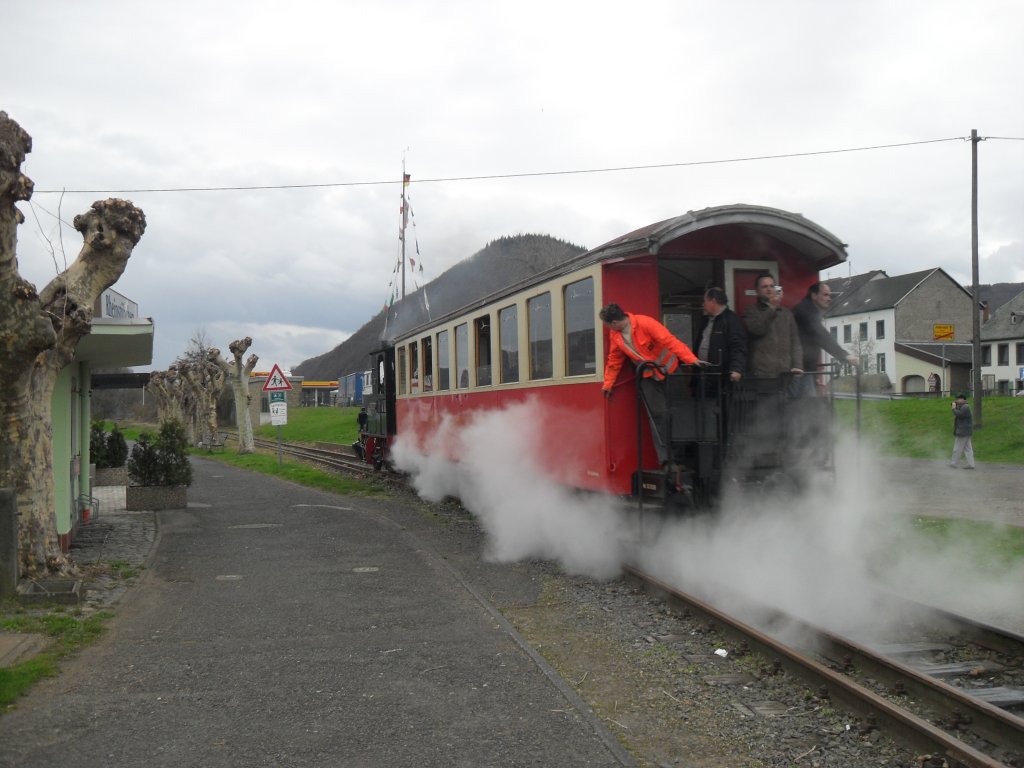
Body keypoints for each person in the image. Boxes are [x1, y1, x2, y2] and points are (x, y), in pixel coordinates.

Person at [600, 303, 705, 465]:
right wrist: (608, 384)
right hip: (648, 378)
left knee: (680, 411)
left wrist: (691, 359)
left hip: (671, 372)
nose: (608, 328)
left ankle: (685, 456)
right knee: (658, 416)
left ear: (614, 323)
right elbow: (614, 360)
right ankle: (667, 459)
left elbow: (670, 341)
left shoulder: (645, 323)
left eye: (607, 325)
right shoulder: (615, 335)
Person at [792, 281, 859, 396]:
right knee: (807, 404)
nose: (829, 298)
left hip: (805, 370)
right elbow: (821, 335)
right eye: (825, 295)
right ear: (814, 295)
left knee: (808, 403)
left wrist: (815, 378)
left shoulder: (807, 309)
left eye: (829, 295)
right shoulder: (807, 311)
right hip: (800, 371)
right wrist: (844, 355)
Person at [742, 273, 803, 380]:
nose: (769, 289)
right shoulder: (751, 310)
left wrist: (797, 365)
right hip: (760, 374)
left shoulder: (786, 313)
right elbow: (758, 330)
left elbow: (795, 341)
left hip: (785, 373)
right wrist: (772, 308)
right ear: (757, 291)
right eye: (764, 287)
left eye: (771, 286)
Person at [696, 287, 747, 390]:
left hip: (722, 376)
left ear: (713, 301)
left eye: (705, 301)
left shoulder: (731, 320)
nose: (703, 304)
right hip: (703, 373)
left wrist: (736, 369)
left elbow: (738, 346)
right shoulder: (705, 320)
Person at [949, 392, 975, 469]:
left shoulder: (965, 407)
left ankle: (953, 463)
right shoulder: (964, 406)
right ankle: (971, 464)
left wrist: (953, 408)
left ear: (963, 399)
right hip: (966, 431)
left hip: (963, 431)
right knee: (968, 449)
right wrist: (955, 407)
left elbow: (959, 414)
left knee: (957, 448)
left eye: (958, 399)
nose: (956, 400)